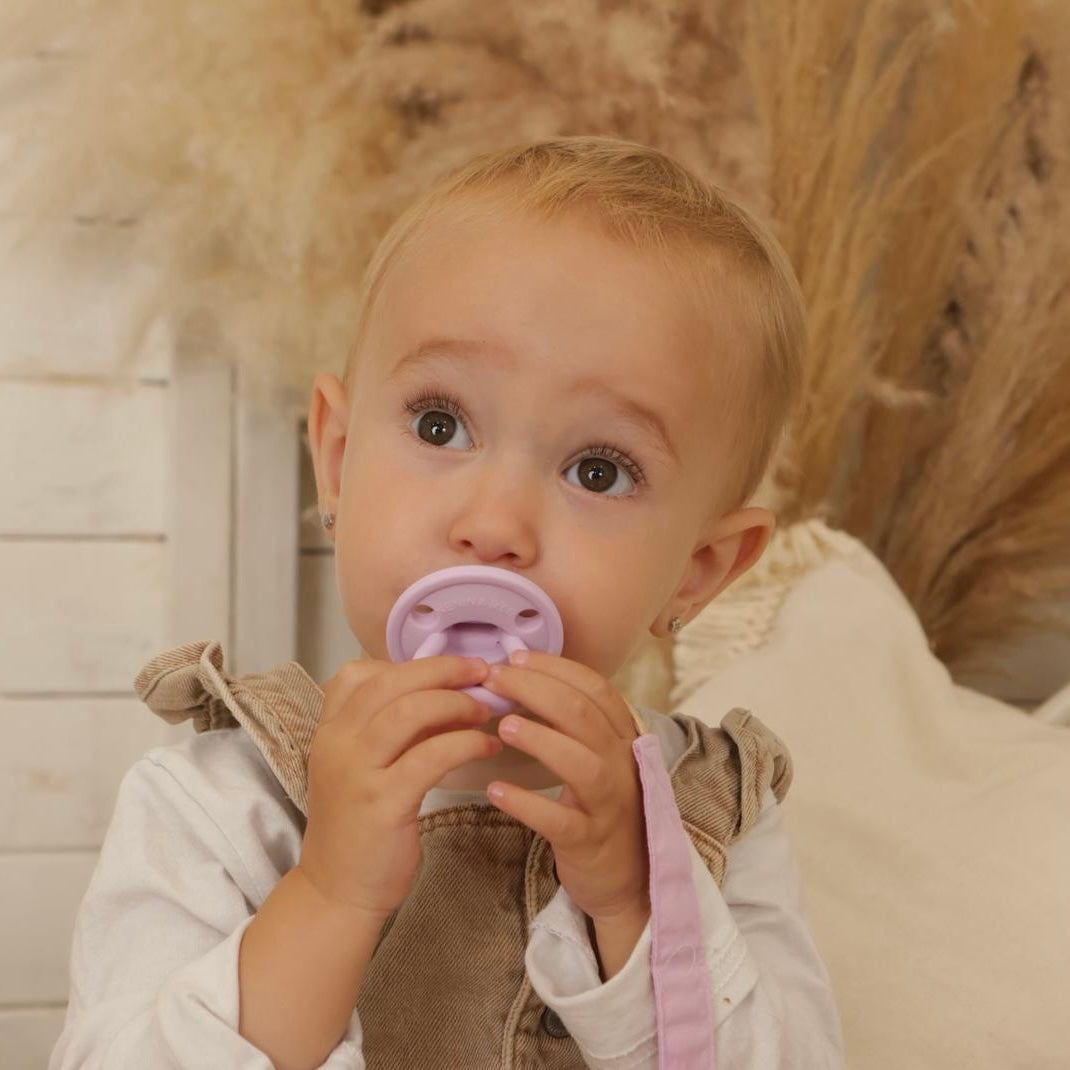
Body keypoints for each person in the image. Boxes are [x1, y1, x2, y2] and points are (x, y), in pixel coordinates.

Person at [50, 136, 844, 1069]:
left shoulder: (715, 815)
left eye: (598, 470)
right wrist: (329, 897)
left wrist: (639, 905)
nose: (494, 524)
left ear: (698, 571)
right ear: (338, 461)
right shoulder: (217, 806)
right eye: (441, 424)